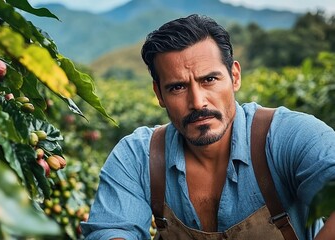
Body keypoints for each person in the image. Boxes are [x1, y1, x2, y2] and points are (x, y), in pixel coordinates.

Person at [80, 14, 335, 239]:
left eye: (209, 79)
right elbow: (111, 230)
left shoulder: (290, 136)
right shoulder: (137, 157)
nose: (197, 102)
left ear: (234, 76)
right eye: (177, 87)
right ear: (159, 94)